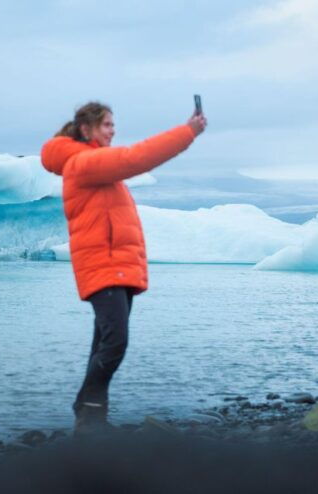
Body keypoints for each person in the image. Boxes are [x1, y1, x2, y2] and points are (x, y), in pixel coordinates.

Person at [40, 101, 207, 434]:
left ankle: (91, 418)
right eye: (106, 125)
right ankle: (87, 407)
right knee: (115, 341)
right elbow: (135, 158)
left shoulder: (92, 164)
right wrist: (187, 132)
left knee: (104, 340)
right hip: (105, 265)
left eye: (113, 125)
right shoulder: (84, 163)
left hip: (115, 265)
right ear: (86, 129)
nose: (112, 130)